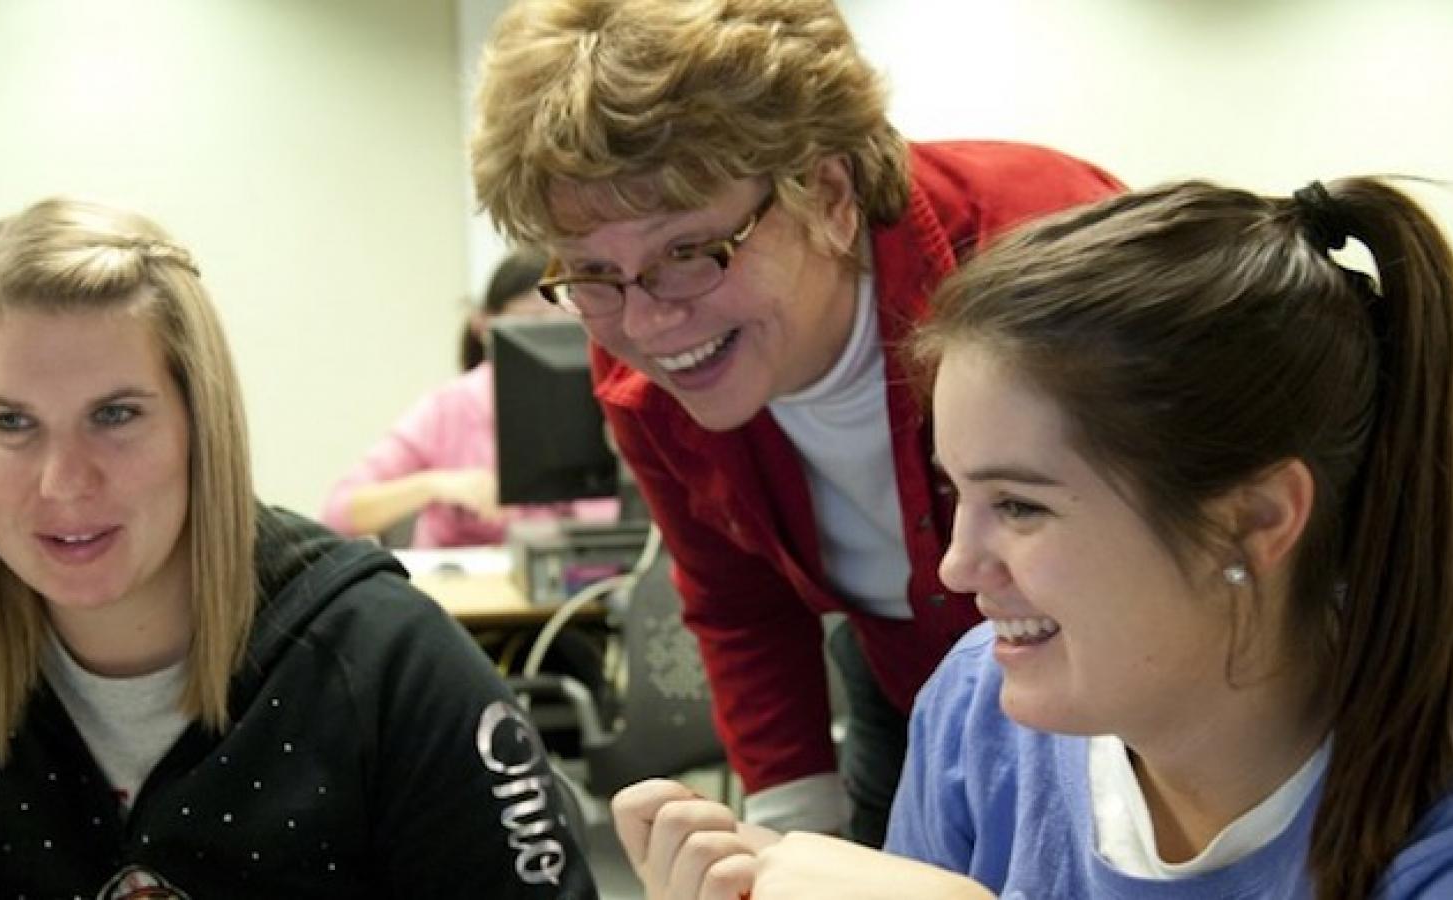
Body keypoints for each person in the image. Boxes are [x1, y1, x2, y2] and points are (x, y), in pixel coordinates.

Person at [610, 175, 1453, 899]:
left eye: (1019, 506)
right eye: (956, 494)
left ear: (1255, 518)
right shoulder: (980, 711)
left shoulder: (1435, 813)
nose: (956, 566)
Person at [471, 0, 1123, 843]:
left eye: (686, 252)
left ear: (826, 192)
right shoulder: (646, 368)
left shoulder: (1035, 238)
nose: (648, 324)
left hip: (1133, 687)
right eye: (593, 272)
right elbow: (738, 602)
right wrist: (784, 848)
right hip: (911, 683)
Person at [0, 198, 597, 898]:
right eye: (10, 423)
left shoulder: (385, 660)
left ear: (199, 425)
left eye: (115, 414)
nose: (64, 482)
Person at [321, 247, 618, 548]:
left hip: (584, 582)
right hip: (463, 591)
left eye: (563, 320)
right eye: (533, 318)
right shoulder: (448, 408)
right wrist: (434, 485)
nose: (550, 336)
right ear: (485, 326)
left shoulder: (604, 401)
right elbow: (338, 512)